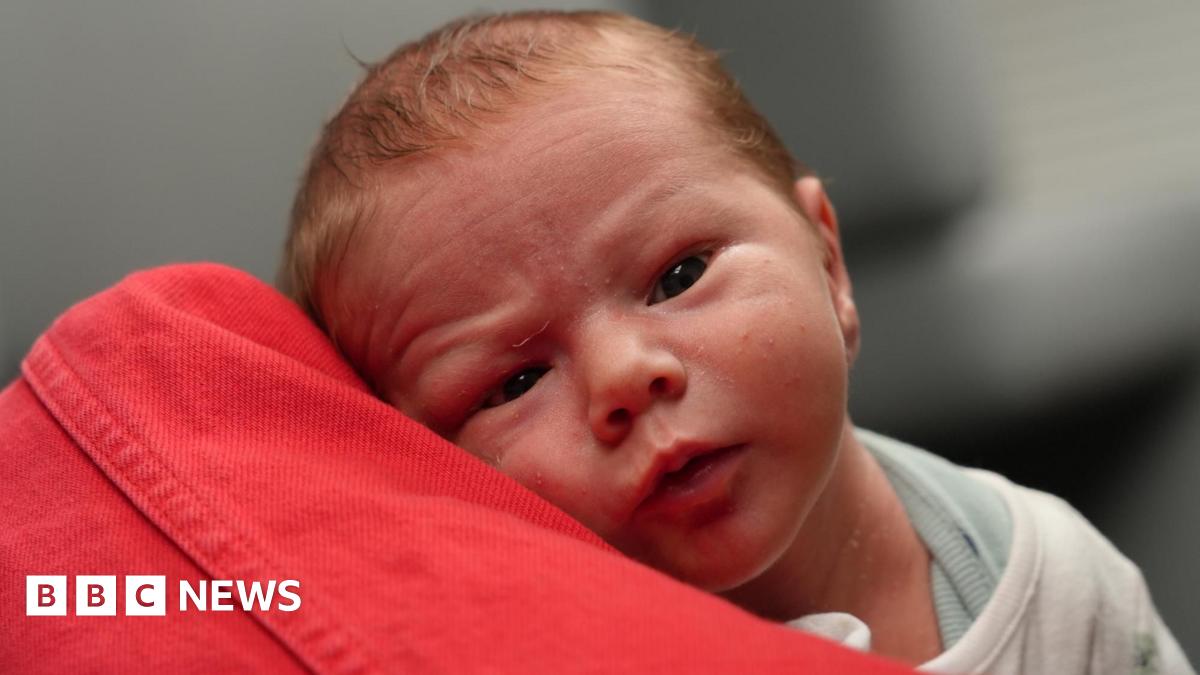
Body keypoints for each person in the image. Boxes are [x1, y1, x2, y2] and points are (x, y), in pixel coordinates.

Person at [280, 10, 1190, 673]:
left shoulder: (1060, 588)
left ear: (827, 260)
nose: (624, 375)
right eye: (513, 382)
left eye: (679, 275)